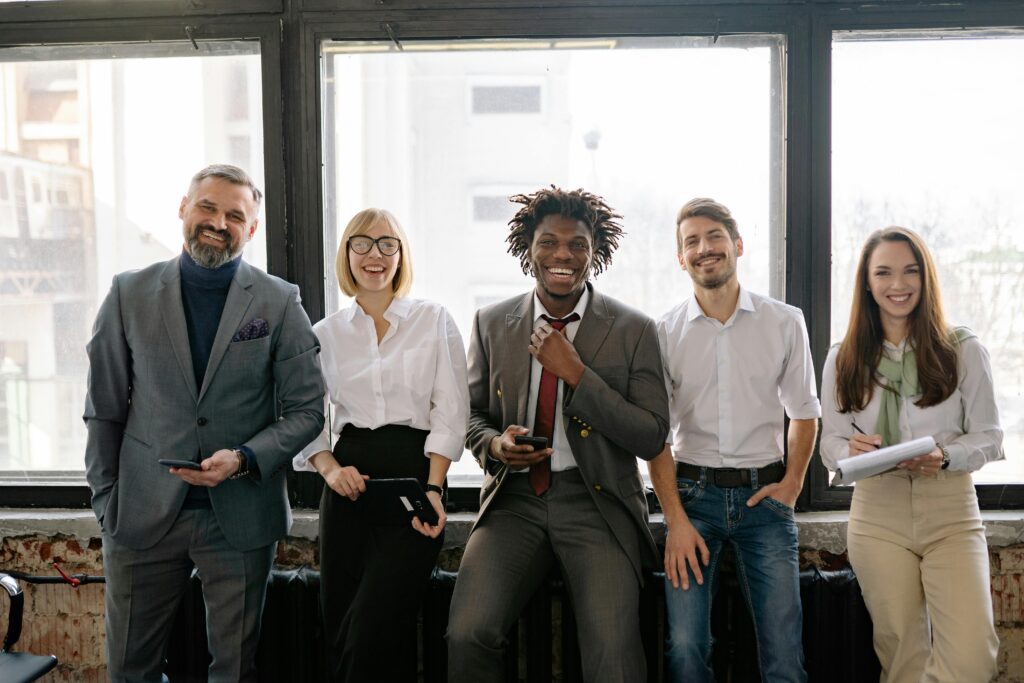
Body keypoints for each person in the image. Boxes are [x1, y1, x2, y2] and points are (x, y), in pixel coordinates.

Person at [83, 164, 325, 682]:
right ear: (183, 209)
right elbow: (104, 407)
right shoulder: (128, 294)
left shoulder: (279, 301)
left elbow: (308, 410)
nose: (219, 222)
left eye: (235, 215)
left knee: (234, 671)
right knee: (130, 669)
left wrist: (243, 458)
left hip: (239, 518)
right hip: (140, 516)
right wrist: (107, 502)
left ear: (252, 228)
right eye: (208, 208)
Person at [446, 186, 669, 683]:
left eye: (577, 245)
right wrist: (496, 446)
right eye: (548, 242)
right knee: (467, 635)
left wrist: (578, 375)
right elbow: (470, 417)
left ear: (596, 253)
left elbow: (652, 436)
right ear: (529, 249)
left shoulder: (635, 329)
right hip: (515, 501)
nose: (562, 255)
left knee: (614, 657)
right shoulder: (491, 322)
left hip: (598, 504)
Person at [292, 208, 469, 681]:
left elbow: (451, 411)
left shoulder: (433, 320)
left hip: (412, 485)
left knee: (374, 629)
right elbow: (305, 416)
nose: (376, 255)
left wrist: (433, 491)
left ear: (401, 255)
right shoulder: (324, 334)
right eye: (363, 243)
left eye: (388, 244)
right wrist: (330, 470)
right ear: (346, 253)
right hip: (348, 486)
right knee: (342, 627)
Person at [648, 197, 820, 683]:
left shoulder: (784, 322)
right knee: (685, 648)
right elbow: (655, 437)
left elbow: (804, 413)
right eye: (691, 242)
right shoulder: (663, 332)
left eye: (714, 237)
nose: (705, 249)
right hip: (692, 501)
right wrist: (675, 519)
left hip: (764, 503)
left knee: (785, 653)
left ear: (738, 245)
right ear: (681, 258)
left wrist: (790, 486)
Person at [820, 226, 1001, 682]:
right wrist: (850, 448)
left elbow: (990, 437)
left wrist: (945, 455)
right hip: (878, 511)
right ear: (867, 282)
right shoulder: (843, 357)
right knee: (901, 657)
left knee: (973, 657)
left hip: (950, 509)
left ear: (925, 278)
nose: (897, 285)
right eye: (883, 273)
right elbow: (830, 443)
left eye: (909, 271)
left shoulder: (961, 349)